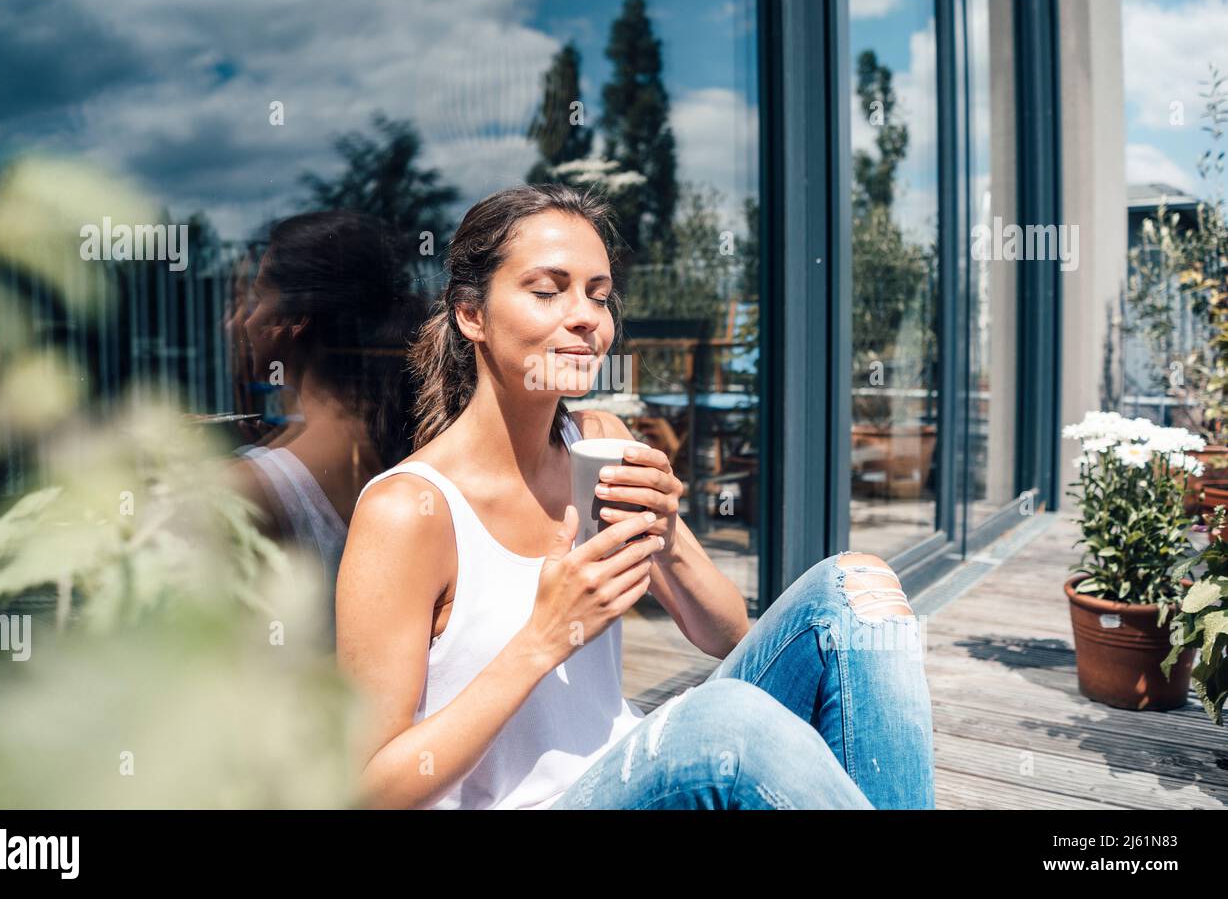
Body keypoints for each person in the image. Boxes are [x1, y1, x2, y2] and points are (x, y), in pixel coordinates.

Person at [336, 183, 934, 809]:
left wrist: (666, 536)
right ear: (471, 314)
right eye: (547, 291)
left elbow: (728, 633)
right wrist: (545, 638)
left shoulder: (599, 441)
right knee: (724, 720)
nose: (586, 317)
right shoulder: (410, 511)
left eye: (598, 296)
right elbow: (368, 790)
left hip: (628, 775)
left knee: (855, 590)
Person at [226, 210, 424, 641]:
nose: (243, 321)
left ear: (293, 320)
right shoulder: (425, 439)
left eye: (258, 299)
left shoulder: (248, 491)